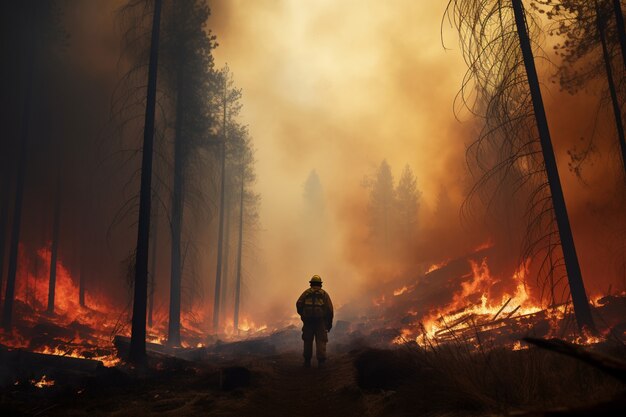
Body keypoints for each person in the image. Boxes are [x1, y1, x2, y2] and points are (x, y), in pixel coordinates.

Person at [296, 274, 334, 368]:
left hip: (308, 322)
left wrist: (303, 315)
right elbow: (329, 310)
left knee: (307, 340)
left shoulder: (306, 293)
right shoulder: (323, 294)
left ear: (311, 283)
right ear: (320, 284)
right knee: (321, 340)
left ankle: (307, 362)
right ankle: (321, 363)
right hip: (320, 322)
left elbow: (299, 304)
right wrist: (328, 324)